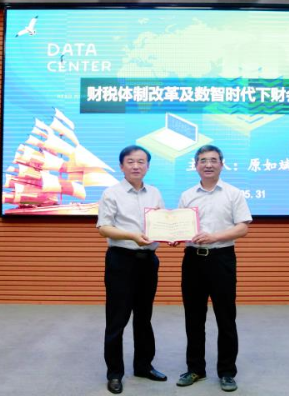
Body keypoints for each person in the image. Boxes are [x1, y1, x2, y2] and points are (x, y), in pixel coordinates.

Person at [174, 145, 252, 392]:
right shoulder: (187, 195)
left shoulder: (233, 193)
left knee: (226, 317)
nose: (208, 164)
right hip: (193, 260)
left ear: (221, 164)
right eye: (203, 160)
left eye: (213, 160)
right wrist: (175, 236)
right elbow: (180, 225)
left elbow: (243, 227)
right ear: (196, 165)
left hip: (222, 259)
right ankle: (195, 368)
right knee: (193, 317)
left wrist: (214, 237)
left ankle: (227, 372)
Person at [96, 145, 168, 394]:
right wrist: (132, 236)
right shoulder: (111, 193)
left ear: (147, 166)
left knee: (144, 317)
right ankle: (115, 373)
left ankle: (143, 366)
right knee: (117, 319)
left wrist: (170, 234)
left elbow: (162, 223)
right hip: (121, 260)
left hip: (148, 261)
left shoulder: (155, 193)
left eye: (141, 161)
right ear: (121, 166)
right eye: (130, 161)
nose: (136, 166)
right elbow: (104, 227)